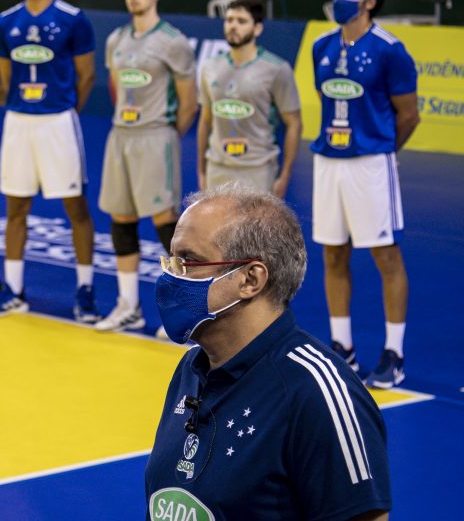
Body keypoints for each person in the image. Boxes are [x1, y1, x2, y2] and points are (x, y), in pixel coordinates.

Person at [145, 183, 391, 521]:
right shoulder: (193, 369)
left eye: (188, 261)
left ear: (250, 279)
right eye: (171, 260)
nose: (171, 276)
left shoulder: (317, 392)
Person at [313, 0, 419, 389]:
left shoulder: (390, 50)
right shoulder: (321, 44)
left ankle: (394, 353)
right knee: (333, 255)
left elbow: (408, 115)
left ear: (369, 1)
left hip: (371, 164)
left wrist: (382, 150)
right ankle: (343, 347)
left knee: (386, 256)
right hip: (327, 162)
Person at [0, 0, 99, 321]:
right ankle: (13, 289)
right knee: (15, 208)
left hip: (57, 122)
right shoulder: (5, 21)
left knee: (76, 208)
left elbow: (87, 76)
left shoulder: (71, 19)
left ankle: (85, 292)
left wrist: (65, 112)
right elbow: (5, 78)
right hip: (18, 121)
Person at [94, 0, 197, 333]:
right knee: (120, 219)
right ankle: (128, 306)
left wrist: (167, 135)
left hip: (156, 136)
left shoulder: (172, 41)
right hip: (120, 135)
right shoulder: (116, 40)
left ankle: (185, 314)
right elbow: (115, 89)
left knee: (165, 223)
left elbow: (189, 101)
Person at [197, 0, 301, 197]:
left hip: (258, 169)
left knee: (254, 230)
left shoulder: (276, 69)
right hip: (217, 168)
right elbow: (205, 121)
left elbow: (294, 123)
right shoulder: (210, 68)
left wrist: (285, 175)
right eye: (229, 20)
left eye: (241, 21)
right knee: (217, 229)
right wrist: (202, 170)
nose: (233, 26)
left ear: (258, 28)